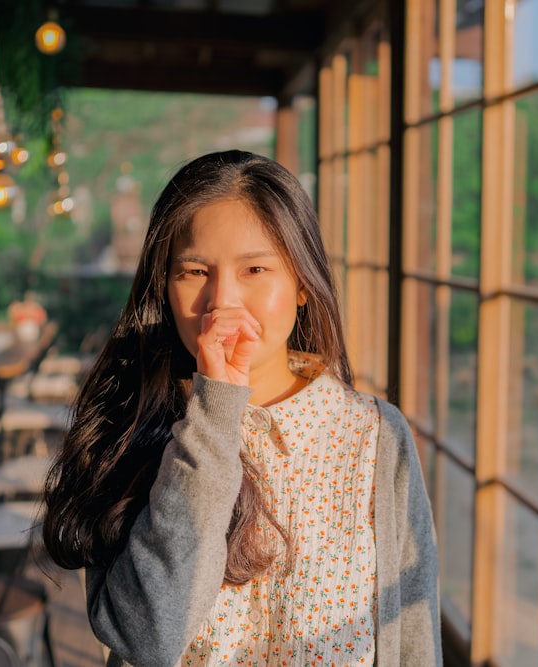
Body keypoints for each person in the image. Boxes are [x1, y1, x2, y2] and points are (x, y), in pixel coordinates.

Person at [41, 150, 441, 666]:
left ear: (301, 283)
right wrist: (214, 411)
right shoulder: (132, 423)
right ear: (164, 288)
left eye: (255, 268)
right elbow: (149, 638)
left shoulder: (377, 436)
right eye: (194, 271)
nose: (222, 301)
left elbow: (413, 637)